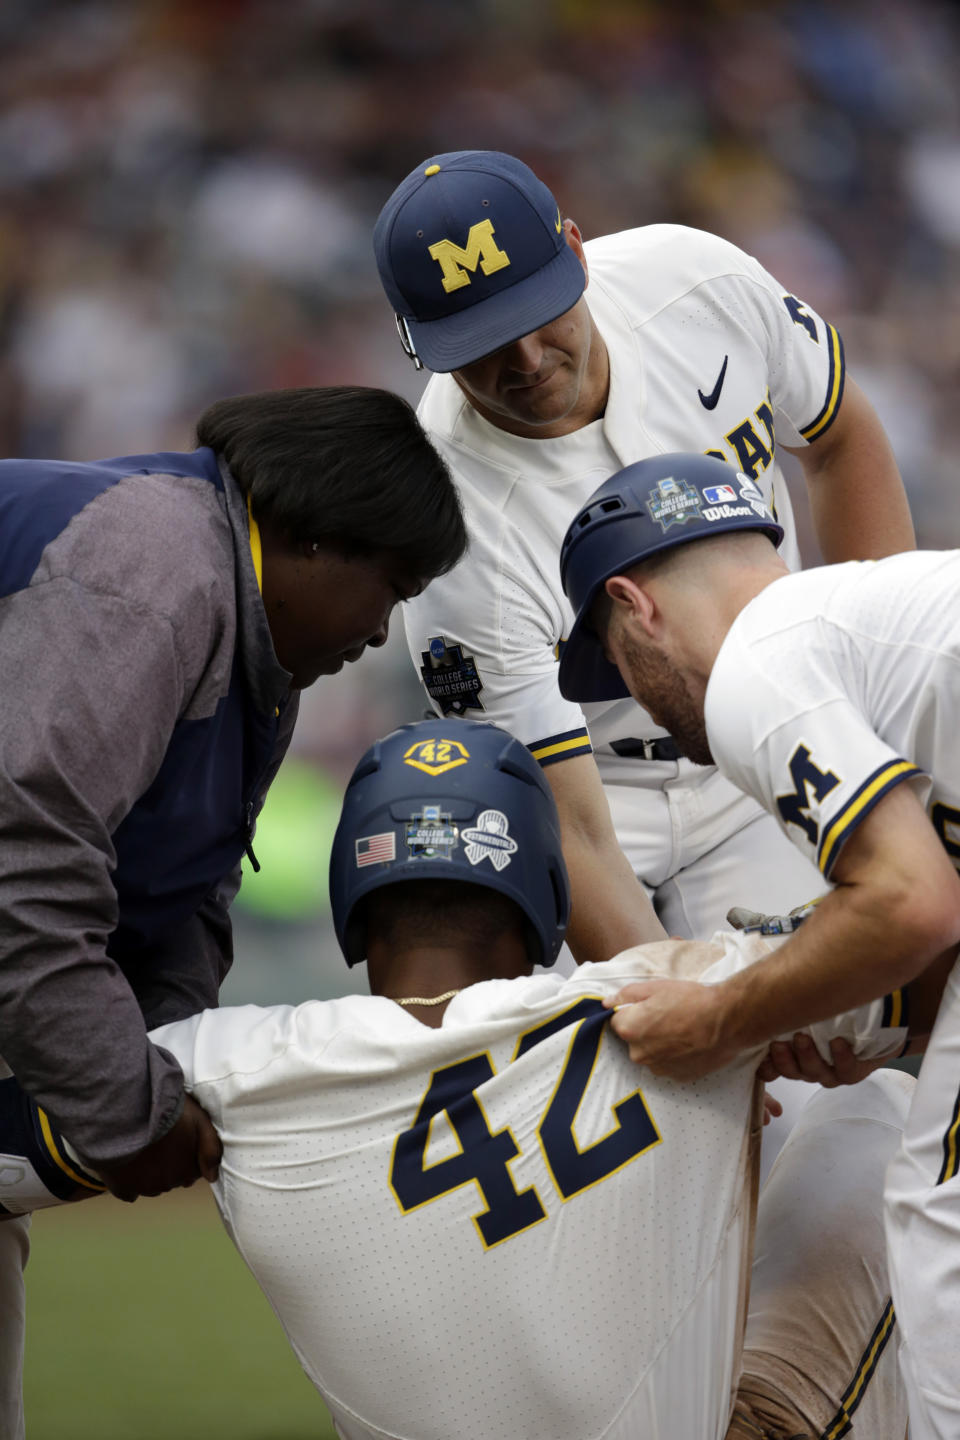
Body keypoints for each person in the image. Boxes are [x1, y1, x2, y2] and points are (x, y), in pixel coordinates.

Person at [1, 718, 937, 1438]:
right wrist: (792, 1029)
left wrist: (142, 1115)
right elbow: (926, 957)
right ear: (543, 901)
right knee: (889, 1111)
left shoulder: (227, 1067)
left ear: (353, 908)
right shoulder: (677, 1006)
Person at [0, 387, 466, 1440]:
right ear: (307, 535)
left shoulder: (251, 625)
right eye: (384, 587)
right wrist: (131, 1109)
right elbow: (24, 863)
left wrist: (177, 1061)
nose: (380, 628)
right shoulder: (155, 575)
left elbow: (184, 885)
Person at [372, 148, 916, 967]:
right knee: (626, 1061)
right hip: (594, 786)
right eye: (481, 342)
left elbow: (838, 438)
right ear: (417, 347)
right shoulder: (450, 521)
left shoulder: (695, 287)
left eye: (536, 313)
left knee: (835, 1035)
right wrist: (696, 1021)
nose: (524, 362)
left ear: (579, 253)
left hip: (768, 716)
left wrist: (875, 697)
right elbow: (578, 834)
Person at [557, 449, 960, 1440]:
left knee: (934, 1209)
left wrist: (719, 1016)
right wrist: (866, 1014)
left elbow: (911, 908)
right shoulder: (855, 630)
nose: (637, 701)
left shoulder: (758, 665)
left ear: (635, 604)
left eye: (614, 665)